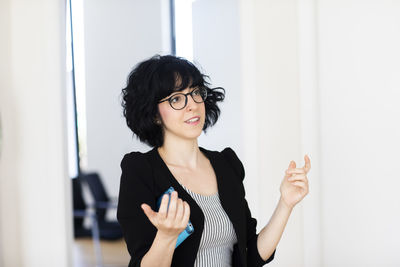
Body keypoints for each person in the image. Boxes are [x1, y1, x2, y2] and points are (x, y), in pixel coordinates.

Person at [117, 55, 311, 267]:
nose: (192, 105)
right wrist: (166, 236)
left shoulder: (226, 164)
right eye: (176, 99)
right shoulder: (140, 171)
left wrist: (285, 203)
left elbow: (249, 255)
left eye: (195, 93)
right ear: (154, 114)